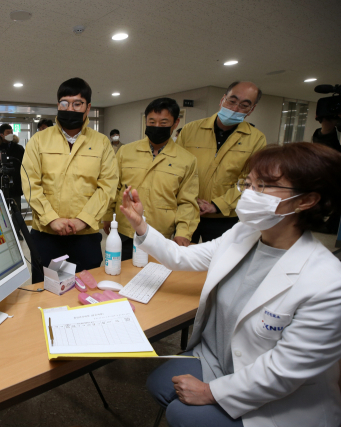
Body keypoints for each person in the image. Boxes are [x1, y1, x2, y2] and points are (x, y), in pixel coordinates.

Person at [119, 142, 341, 427]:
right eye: (249, 184)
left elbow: (284, 372)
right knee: (159, 383)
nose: (250, 194)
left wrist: (211, 392)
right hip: (217, 359)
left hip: (279, 397)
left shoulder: (327, 283)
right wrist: (141, 225)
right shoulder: (243, 233)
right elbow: (182, 257)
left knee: (181, 413)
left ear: (306, 200)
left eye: (265, 186)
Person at [22, 77, 119, 283]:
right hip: (46, 234)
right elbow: (30, 184)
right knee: (45, 293)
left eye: (77, 104)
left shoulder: (101, 143)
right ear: (58, 105)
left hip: (85, 236)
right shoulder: (39, 140)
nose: (70, 108)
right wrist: (51, 219)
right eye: (64, 103)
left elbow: (107, 186)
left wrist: (83, 220)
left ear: (88, 107)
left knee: (85, 291)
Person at [104, 98, 199, 259]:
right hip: (125, 230)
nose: (156, 127)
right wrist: (107, 217)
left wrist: (183, 231)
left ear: (175, 123)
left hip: (160, 234)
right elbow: (113, 188)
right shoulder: (125, 152)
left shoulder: (187, 160)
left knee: (154, 279)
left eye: (163, 123)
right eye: (152, 121)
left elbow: (187, 202)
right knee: (120, 276)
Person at [176, 81, 266, 243]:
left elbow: (251, 180)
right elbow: (177, 168)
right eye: (232, 101)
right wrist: (189, 198)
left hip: (224, 216)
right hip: (187, 211)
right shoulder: (190, 130)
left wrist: (216, 205)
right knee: (180, 259)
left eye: (244, 105)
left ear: (251, 110)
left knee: (221, 262)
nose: (235, 108)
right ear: (222, 99)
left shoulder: (256, 139)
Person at [0, 124, 25, 239]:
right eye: (7, 132)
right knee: (1, 210)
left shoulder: (19, 149)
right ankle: (4, 232)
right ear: (1, 134)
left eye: (11, 131)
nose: (10, 134)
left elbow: (24, 167)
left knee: (16, 210)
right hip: (1, 185)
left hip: (16, 185)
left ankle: (16, 232)